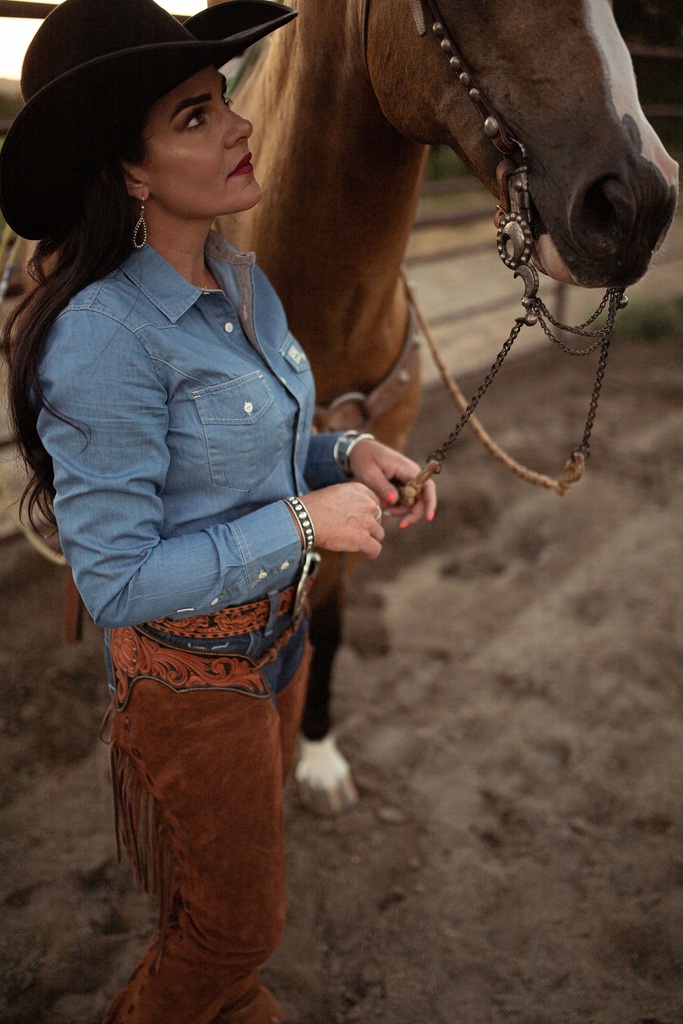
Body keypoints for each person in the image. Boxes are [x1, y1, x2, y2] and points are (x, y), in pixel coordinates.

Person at [0, 0, 437, 1021]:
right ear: (126, 172)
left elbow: (261, 450)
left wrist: (349, 451)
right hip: (191, 683)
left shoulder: (242, 280)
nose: (239, 126)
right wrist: (304, 524)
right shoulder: (106, 340)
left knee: (224, 896)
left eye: (223, 100)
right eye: (194, 117)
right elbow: (111, 580)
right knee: (236, 928)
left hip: (277, 648)